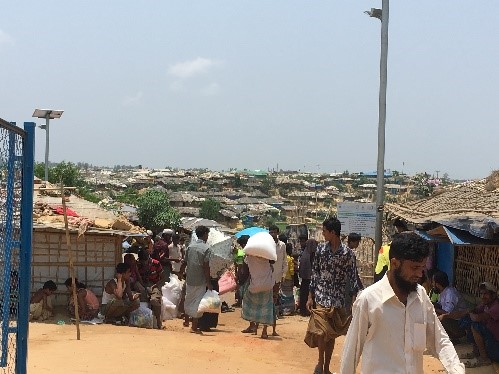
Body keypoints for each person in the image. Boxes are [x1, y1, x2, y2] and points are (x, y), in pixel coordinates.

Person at [340, 232, 465, 374]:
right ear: (394, 264)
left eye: (422, 268)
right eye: (414, 268)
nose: (419, 274)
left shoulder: (421, 296)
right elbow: (351, 352)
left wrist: (456, 369)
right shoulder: (368, 300)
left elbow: (439, 340)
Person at [305, 217, 362, 374]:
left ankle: (326, 368)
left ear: (333, 232)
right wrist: (310, 296)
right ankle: (320, 362)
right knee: (322, 331)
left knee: (330, 334)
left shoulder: (347, 254)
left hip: (337, 297)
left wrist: (354, 298)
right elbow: (315, 273)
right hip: (321, 295)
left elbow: (352, 276)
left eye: (324, 231)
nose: (322, 234)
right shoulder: (321, 250)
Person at [460, 282, 499, 367]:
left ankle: (484, 359)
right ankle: (476, 352)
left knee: (475, 325)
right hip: (491, 342)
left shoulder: (496, 307)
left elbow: (477, 318)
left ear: (493, 295)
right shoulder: (486, 305)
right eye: (481, 294)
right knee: (467, 321)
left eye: (486, 294)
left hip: (496, 346)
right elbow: (473, 310)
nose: (483, 296)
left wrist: (470, 312)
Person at [184, 225, 212, 333]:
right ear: (204, 234)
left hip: (190, 278)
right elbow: (206, 266)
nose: (207, 236)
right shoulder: (207, 248)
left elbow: (185, 262)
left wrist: (182, 273)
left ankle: (187, 320)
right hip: (200, 280)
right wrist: (208, 282)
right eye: (207, 234)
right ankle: (194, 327)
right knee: (198, 302)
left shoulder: (190, 246)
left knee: (189, 300)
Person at [241, 253, 276, 339]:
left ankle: (254, 325)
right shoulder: (267, 257)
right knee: (267, 307)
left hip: (255, 286)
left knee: (254, 305)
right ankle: (264, 331)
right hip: (267, 285)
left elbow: (244, 271)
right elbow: (273, 267)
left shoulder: (249, 258)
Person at [433, 270, 468, 342]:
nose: (432, 284)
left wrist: (432, 308)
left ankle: (456, 337)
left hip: (460, 324)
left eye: (433, 282)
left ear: (438, 284)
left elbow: (447, 313)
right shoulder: (444, 292)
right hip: (453, 321)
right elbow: (439, 305)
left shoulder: (450, 293)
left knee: (436, 315)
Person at [136, 249, 166, 329]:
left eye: (145, 261)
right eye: (142, 262)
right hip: (143, 285)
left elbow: (162, 278)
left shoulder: (156, 264)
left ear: (148, 258)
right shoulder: (138, 265)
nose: (144, 263)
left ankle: (159, 322)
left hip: (155, 285)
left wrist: (153, 287)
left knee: (154, 300)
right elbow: (137, 279)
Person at [268, 225, 287, 335]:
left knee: (274, 302)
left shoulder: (282, 246)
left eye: (274, 232)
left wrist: (284, 274)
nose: (273, 234)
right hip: (267, 277)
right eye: (271, 232)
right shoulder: (267, 245)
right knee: (267, 301)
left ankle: (273, 328)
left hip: (277, 277)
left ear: (278, 233)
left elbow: (284, 261)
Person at [299, 238, 317, 317]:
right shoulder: (310, 255)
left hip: (306, 279)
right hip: (309, 279)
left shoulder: (305, 254)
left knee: (305, 295)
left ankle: (305, 310)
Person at [280, 243, 295, 316]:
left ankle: (283, 309)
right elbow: (291, 270)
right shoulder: (290, 259)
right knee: (289, 295)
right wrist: (293, 279)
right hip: (288, 279)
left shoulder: (283, 258)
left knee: (283, 294)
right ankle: (288, 310)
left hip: (283, 278)